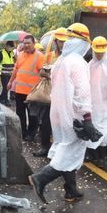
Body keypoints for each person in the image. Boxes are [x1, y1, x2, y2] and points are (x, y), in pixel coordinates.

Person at [28, 22, 98, 203]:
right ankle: (41, 178)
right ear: (83, 43)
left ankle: (71, 189)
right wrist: (87, 119)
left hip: (58, 114)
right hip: (73, 115)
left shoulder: (60, 61)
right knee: (70, 152)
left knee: (66, 148)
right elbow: (82, 93)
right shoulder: (78, 63)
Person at [33, 27, 70, 157]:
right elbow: (42, 71)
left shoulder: (71, 57)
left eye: (65, 41)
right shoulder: (49, 56)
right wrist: (52, 76)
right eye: (60, 41)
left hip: (65, 95)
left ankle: (61, 151)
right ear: (56, 42)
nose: (63, 44)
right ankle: (45, 148)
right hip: (50, 94)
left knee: (63, 124)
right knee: (46, 122)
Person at [7, 35, 45, 141]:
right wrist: (10, 82)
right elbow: (15, 70)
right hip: (19, 91)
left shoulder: (39, 56)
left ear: (34, 44)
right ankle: (22, 132)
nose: (26, 45)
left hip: (32, 92)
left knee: (32, 115)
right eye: (25, 43)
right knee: (20, 114)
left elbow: (43, 73)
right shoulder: (21, 55)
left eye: (29, 43)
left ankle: (31, 133)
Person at [0, 41, 15, 106]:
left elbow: (14, 61)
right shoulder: (1, 53)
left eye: (11, 47)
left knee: (8, 87)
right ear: (6, 46)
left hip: (10, 73)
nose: (10, 48)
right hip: (3, 73)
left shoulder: (12, 53)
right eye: (9, 47)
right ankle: (5, 100)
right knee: (6, 87)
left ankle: (1, 98)